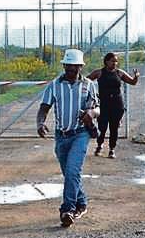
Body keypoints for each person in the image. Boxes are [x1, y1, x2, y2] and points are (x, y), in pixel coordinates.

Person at [36, 48, 100, 228]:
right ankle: (81, 202)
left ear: (80, 67)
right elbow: (44, 107)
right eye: (68, 66)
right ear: (64, 65)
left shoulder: (89, 85)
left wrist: (91, 113)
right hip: (61, 136)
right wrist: (40, 123)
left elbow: (98, 109)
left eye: (75, 67)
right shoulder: (54, 85)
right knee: (69, 174)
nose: (71, 70)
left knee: (73, 171)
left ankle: (68, 210)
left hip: (80, 134)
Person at [87, 52, 138, 158]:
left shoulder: (119, 73)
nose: (115, 63)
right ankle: (99, 145)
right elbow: (86, 81)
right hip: (103, 104)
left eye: (116, 61)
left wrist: (136, 77)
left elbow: (132, 82)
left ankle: (112, 149)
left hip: (117, 104)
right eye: (112, 61)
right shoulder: (99, 73)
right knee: (102, 127)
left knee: (114, 128)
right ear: (106, 62)